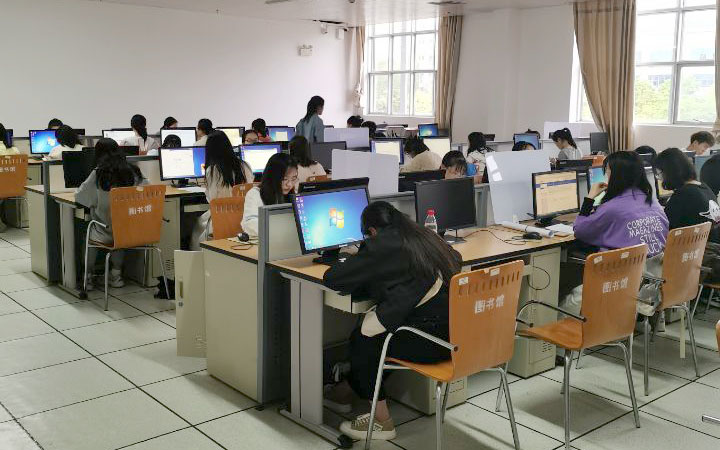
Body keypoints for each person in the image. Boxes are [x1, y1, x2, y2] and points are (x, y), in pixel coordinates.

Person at [322, 201, 462, 441]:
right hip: (456, 337)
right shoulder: (425, 236)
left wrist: (347, 256)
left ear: (372, 231)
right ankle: (343, 393)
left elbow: (333, 278)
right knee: (378, 335)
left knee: (363, 341)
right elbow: (456, 257)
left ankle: (382, 421)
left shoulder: (382, 245)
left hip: (429, 343)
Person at [76, 138, 146, 289]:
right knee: (119, 231)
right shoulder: (133, 171)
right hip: (129, 229)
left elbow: (81, 197)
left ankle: (87, 278)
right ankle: (116, 276)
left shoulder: (99, 173)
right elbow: (148, 192)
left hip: (105, 228)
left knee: (91, 231)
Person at [190, 131, 253, 249]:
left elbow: (213, 200)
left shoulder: (213, 170)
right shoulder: (245, 166)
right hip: (244, 217)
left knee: (197, 225)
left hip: (222, 216)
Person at [655, 148, 720, 241]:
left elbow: (665, 228)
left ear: (668, 173)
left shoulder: (682, 196)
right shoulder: (705, 188)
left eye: (660, 173)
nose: (660, 179)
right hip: (711, 246)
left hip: (703, 248)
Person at [241, 153, 298, 237]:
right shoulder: (255, 194)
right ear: (272, 177)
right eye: (284, 179)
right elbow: (250, 224)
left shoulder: (293, 194)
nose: (289, 184)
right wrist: (280, 229)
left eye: (293, 179)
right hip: (267, 240)